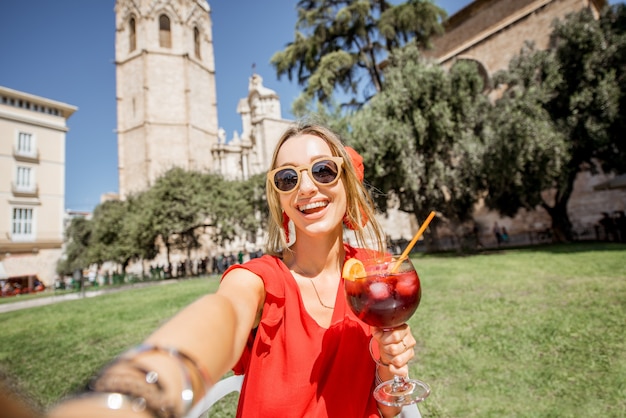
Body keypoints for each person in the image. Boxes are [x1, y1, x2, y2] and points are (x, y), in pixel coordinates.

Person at [47, 122, 418, 418]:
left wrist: (388, 365)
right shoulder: (256, 279)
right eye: (288, 178)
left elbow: (387, 408)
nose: (306, 187)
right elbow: (222, 315)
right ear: (279, 198)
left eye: (323, 170)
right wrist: (136, 389)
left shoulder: (373, 278)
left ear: (346, 182)